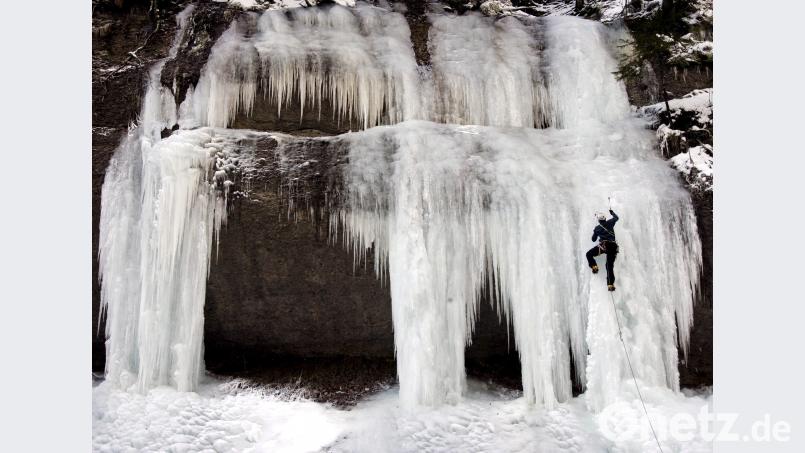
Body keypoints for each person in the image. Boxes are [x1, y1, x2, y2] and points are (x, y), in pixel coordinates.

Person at [586, 209, 619, 291]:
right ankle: (610, 285)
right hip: (613, 247)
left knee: (589, 254)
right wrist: (612, 212)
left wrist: (596, 232)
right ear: (605, 218)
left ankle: (594, 267)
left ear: (599, 220)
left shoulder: (597, 228)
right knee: (609, 265)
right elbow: (616, 218)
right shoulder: (610, 222)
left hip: (605, 246)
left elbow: (593, 239)